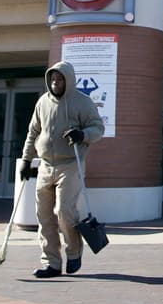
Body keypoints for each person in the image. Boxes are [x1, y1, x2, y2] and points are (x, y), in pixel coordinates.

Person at [16, 59, 105, 278]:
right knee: (44, 216)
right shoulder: (42, 103)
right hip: (46, 165)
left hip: (70, 164)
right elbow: (33, 132)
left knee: (64, 211)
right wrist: (27, 160)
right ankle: (52, 263)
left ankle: (74, 253)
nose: (55, 82)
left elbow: (98, 128)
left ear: (69, 80)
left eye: (60, 79)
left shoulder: (82, 102)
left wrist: (82, 135)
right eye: (53, 79)